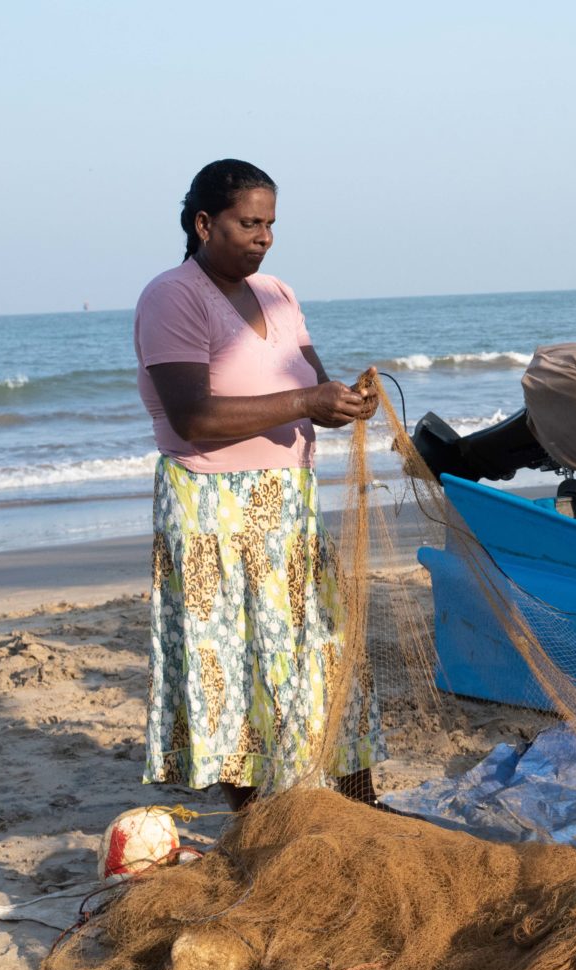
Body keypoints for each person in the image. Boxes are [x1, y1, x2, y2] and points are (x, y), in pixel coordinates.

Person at [135, 159, 382, 811]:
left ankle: (359, 801)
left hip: (289, 504)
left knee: (322, 648)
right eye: (249, 223)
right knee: (235, 666)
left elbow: (314, 388)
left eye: (270, 224)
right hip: (211, 508)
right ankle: (259, 817)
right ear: (203, 223)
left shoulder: (279, 293)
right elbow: (193, 417)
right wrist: (306, 401)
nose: (264, 236)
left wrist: (346, 403)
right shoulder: (173, 296)